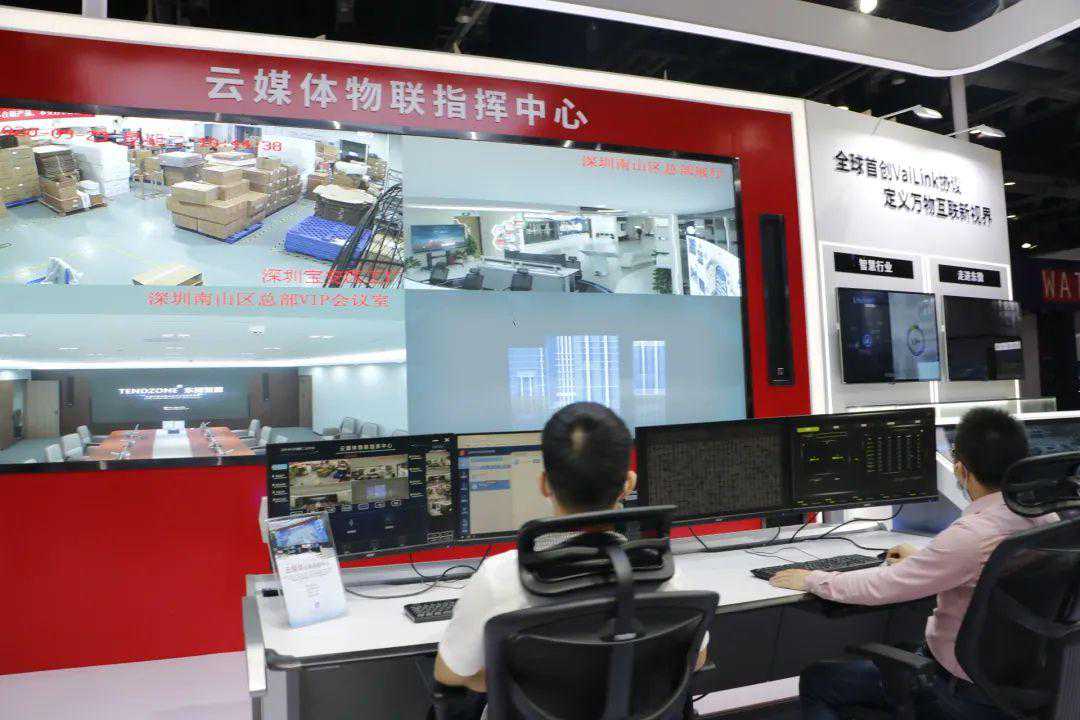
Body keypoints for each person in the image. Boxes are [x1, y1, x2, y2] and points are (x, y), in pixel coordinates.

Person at [769, 407, 1058, 720]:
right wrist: (925, 561)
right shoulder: (1048, 520)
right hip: (1020, 686)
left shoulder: (971, 536)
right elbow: (973, 567)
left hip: (954, 692)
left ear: (961, 470)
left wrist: (813, 579)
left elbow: (879, 587)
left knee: (819, 680)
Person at [434, 401, 708, 693]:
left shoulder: (499, 578)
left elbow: (450, 675)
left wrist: (516, 683)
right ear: (629, 483)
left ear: (544, 484)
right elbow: (697, 659)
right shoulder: (663, 570)